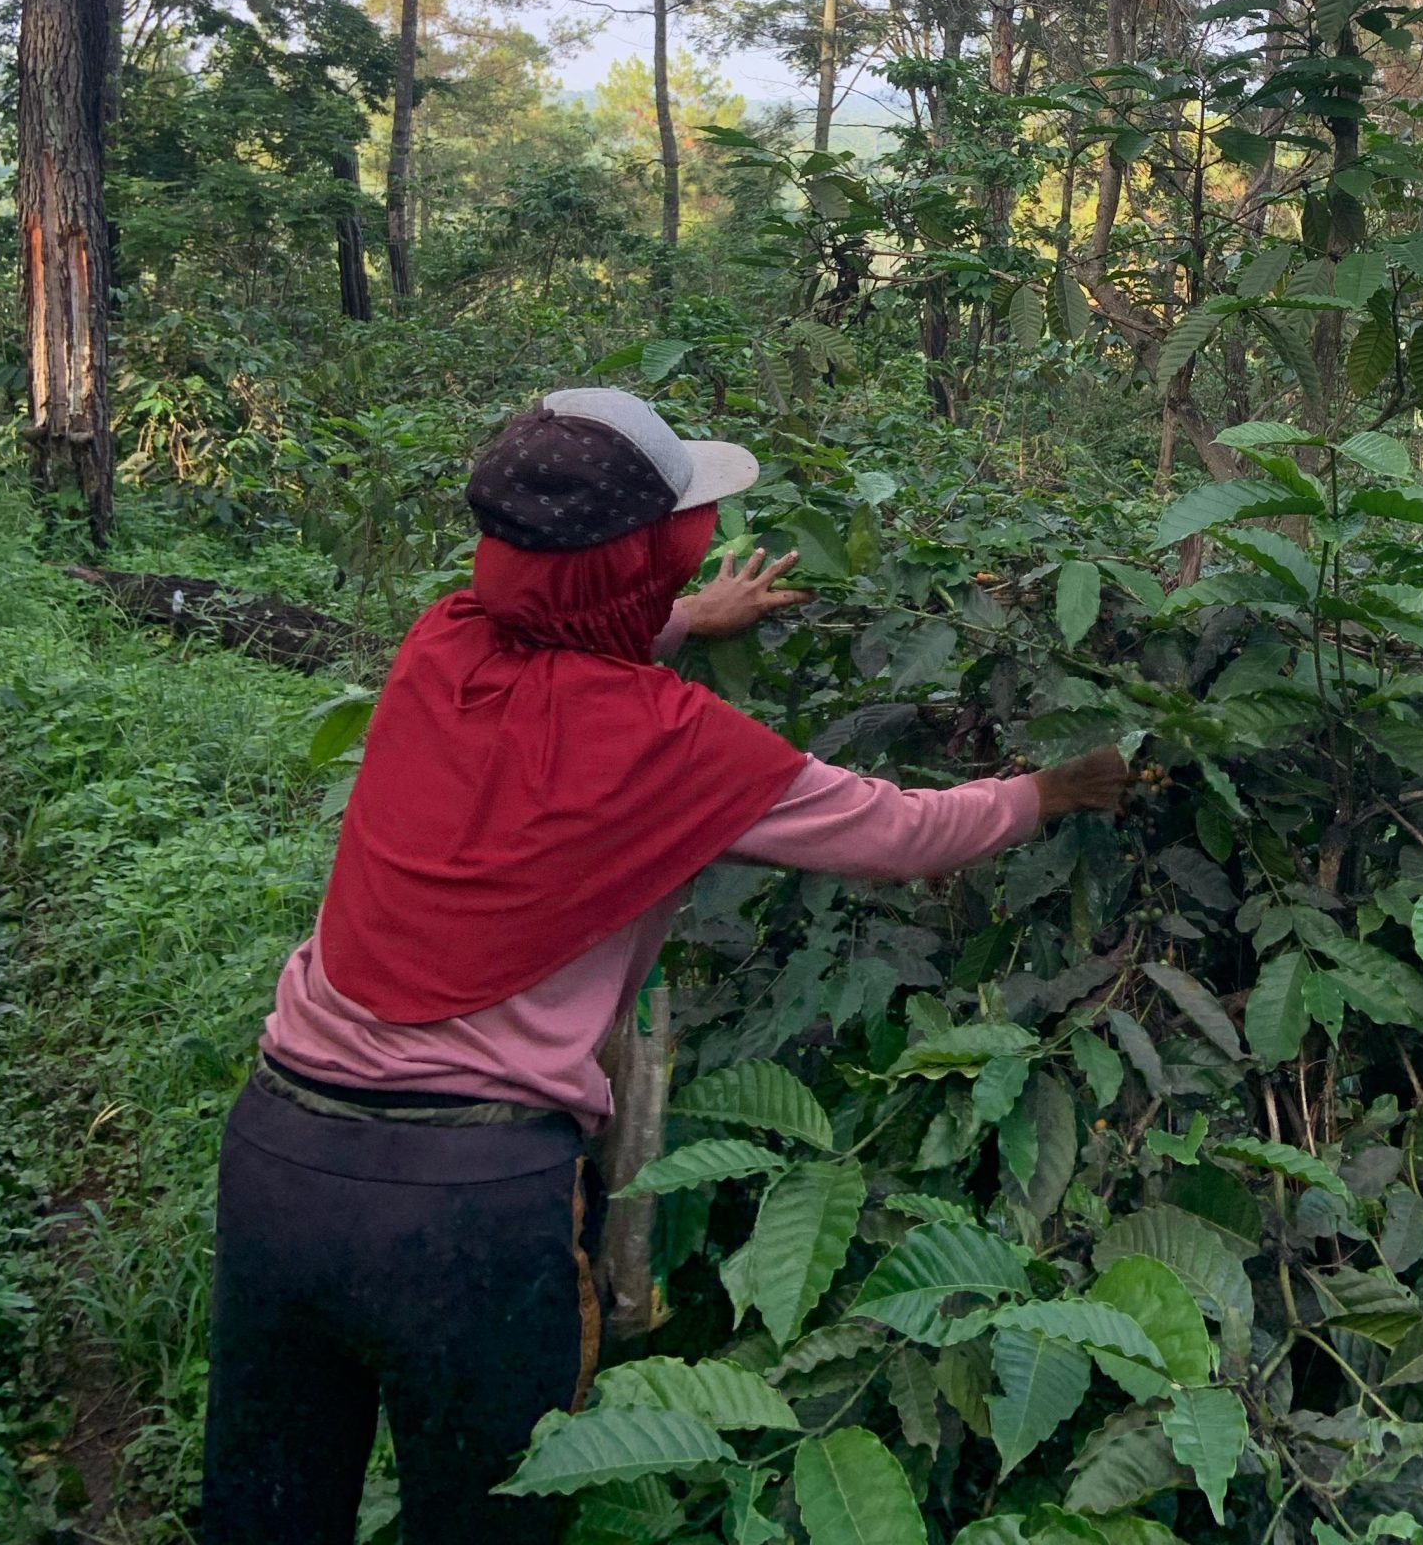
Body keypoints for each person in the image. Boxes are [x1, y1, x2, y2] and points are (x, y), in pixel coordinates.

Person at [200, 387, 1128, 1545]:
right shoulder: (677, 745)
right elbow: (903, 832)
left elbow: (557, 637)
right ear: (642, 564)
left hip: (278, 1151)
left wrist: (689, 616)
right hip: (466, 1214)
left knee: (264, 1516)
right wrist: (1049, 790)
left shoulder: (439, 642)